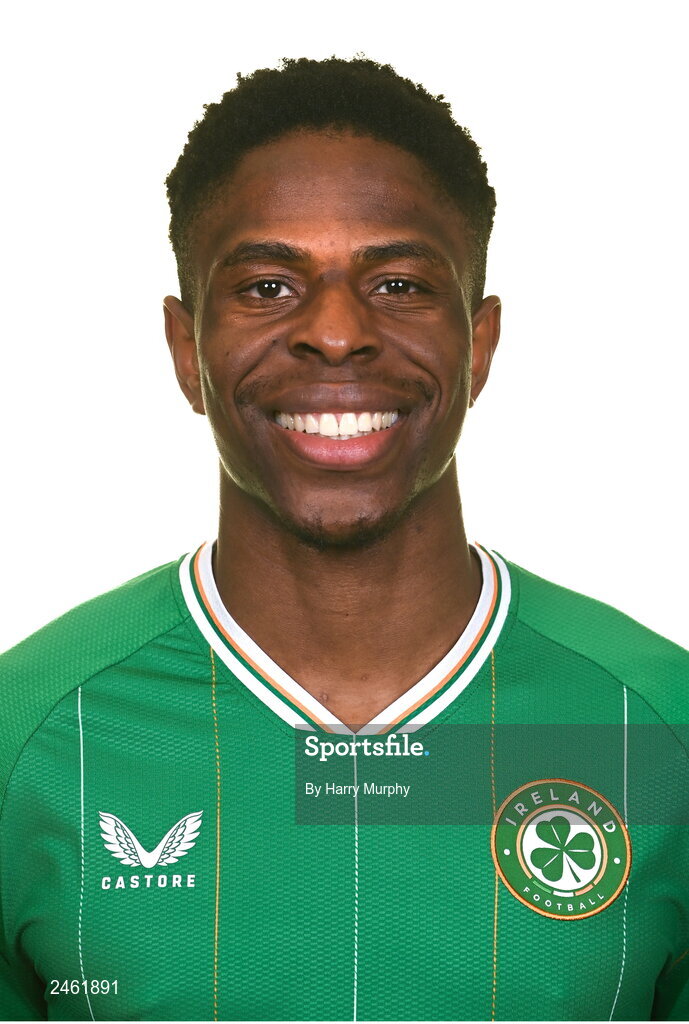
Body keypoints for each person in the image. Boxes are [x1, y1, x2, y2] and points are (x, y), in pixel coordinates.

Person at [1, 56, 687, 1023]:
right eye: (269, 286)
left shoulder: (658, 727)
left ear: (477, 345)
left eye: (398, 282)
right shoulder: (26, 735)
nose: (334, 332)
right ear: (185, 350)